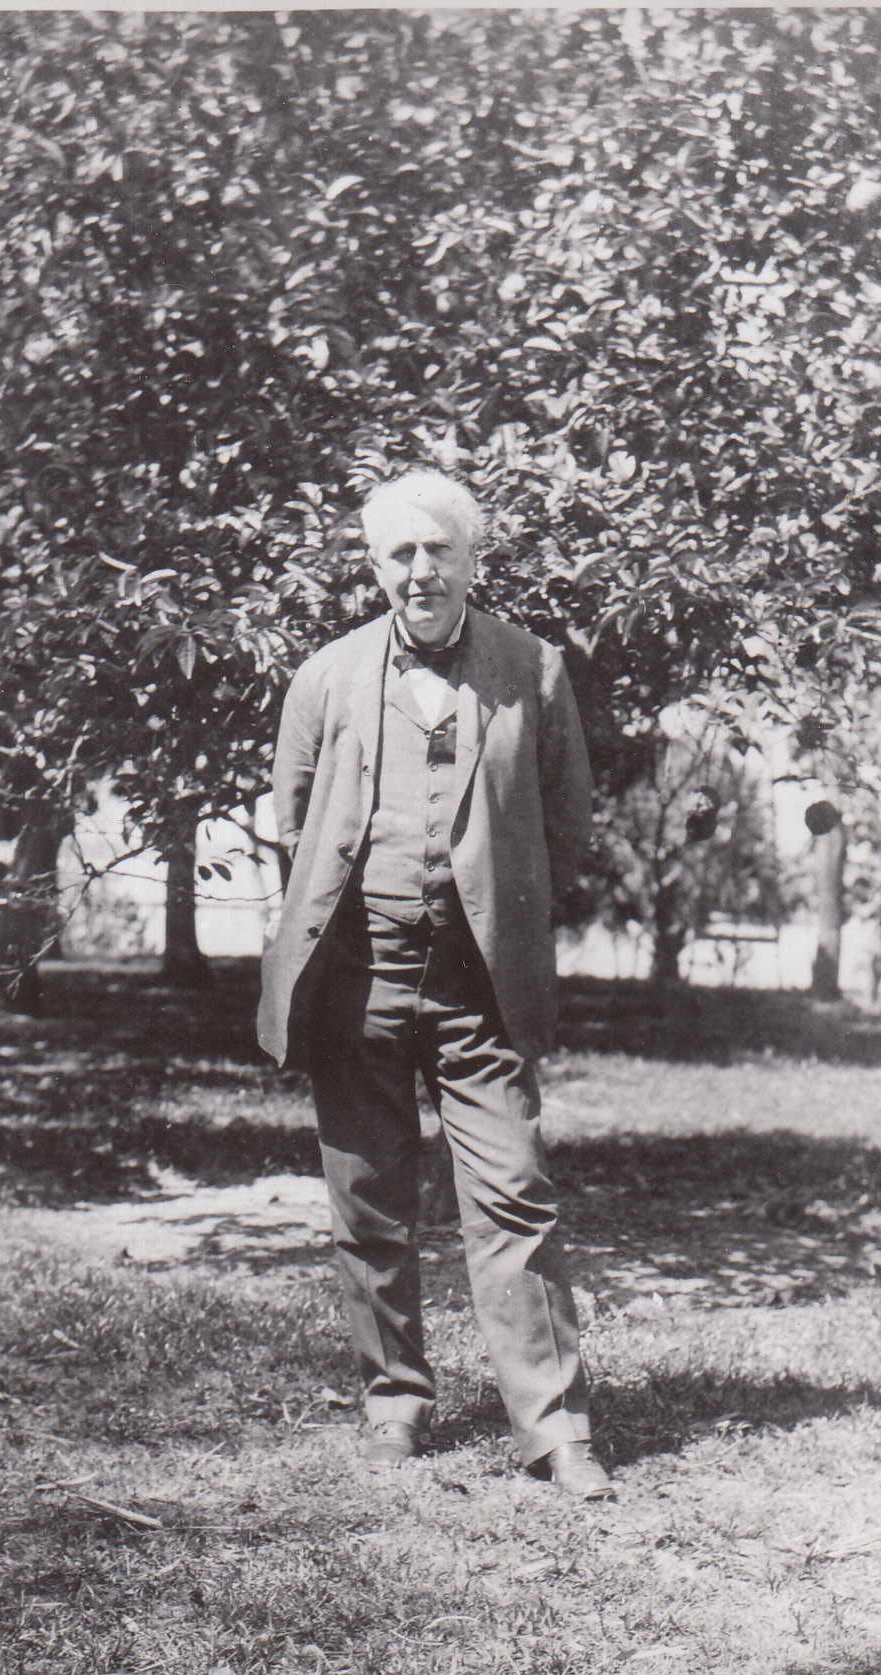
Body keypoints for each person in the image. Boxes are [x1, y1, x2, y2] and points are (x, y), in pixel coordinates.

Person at [257, 468, 614, 1500]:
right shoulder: (326, 676)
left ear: (472, 560)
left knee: (515, 1195)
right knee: (368, 1196)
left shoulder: (531, 668)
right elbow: (295, 820)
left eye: (439, 551)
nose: (421, 572)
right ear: (376, 567)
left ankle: (554, 1429)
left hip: (478, 987)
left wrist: (497, 909)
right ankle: (395, 1400)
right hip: (355, 978)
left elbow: (566, 823)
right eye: (400, 554)